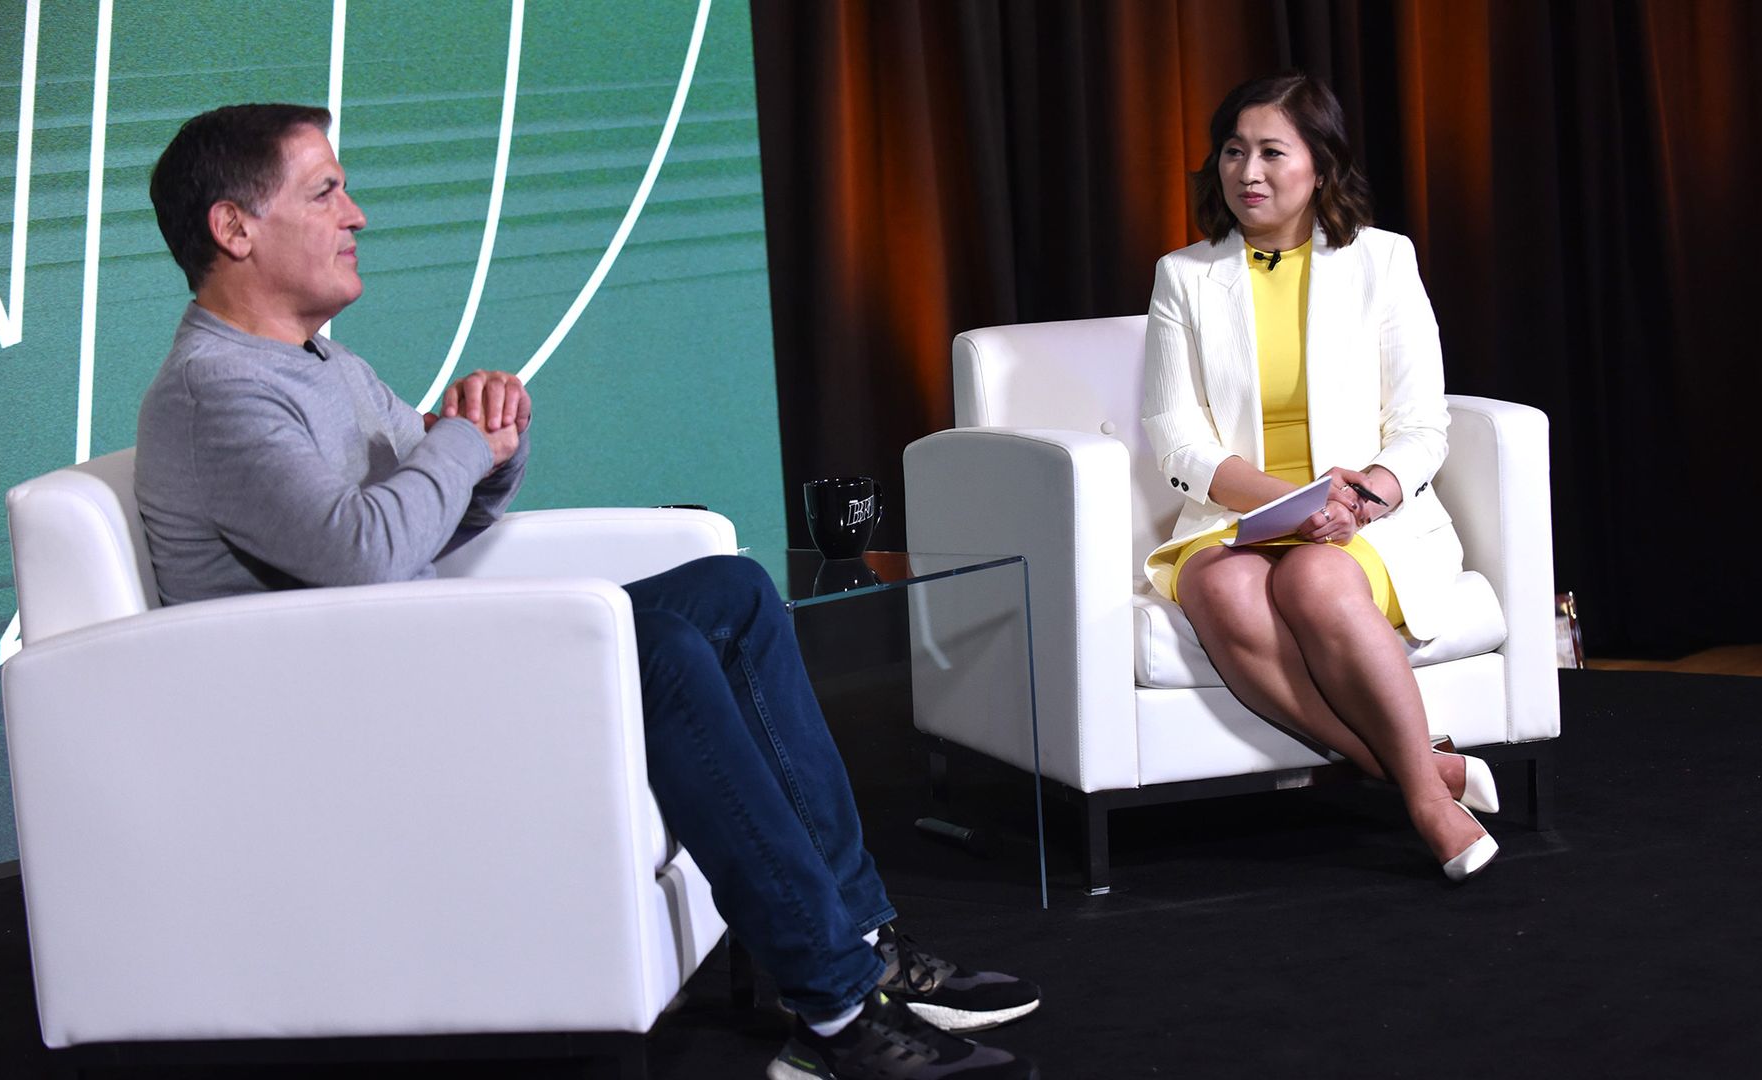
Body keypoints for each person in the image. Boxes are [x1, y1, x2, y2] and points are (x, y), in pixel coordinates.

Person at [135, 103, 1040, 1080]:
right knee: (652, 648)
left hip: (402, 664)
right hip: (343, 721)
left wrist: (490, 451)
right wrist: (455, 443)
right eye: (325, 192)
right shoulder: (217, 392)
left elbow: (425, 517)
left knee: (732, 592)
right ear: (235, 229)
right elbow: (365, 553)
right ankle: (829, 1020)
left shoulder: (318, 363)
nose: (356, 214)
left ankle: (863, 945)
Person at [1141, 73, 1499, 883]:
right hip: (1239, 515)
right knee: (1224, 590)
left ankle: (1424, 801)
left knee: (1313, 582)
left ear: (1320, 168)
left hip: (1367, 519)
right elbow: (1175, 439)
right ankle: (1422, 779)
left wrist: (1362, 496)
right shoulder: (1185, 277)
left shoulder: (1382, 261)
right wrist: (1290, 504)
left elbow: (1422, 423)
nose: (1247, 172)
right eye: (1233, 152)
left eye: (1272, 152)